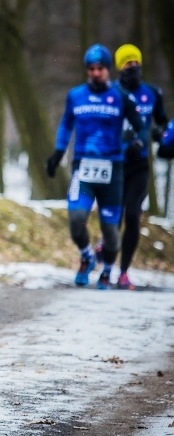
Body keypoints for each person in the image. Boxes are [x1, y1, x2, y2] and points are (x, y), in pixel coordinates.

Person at [46, 43, 148, 290]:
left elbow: (141, 125)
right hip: (83, 167)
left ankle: (108, 271)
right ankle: (86, 256)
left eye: (100, 68)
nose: (95, 73)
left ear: (108, 70)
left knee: (111, 230)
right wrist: (58, 153)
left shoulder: (121, 97)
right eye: (90, 68)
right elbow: (66, 125)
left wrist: (138, 142)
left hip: (113, 170)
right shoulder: (76, 95)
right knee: (76, 218)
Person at [94, 44, 168, 290]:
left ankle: (123, 273)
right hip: (114, 165)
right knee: (113, 219)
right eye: (127, 63)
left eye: (136, 62)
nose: (133, 67)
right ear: (119, 67)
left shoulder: (152, 93)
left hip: (140, 166)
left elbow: (163, 126)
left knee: (133, 216)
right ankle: (105, 249)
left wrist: (161, 137)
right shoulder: (109, 93)